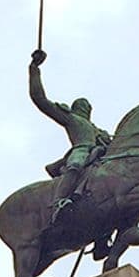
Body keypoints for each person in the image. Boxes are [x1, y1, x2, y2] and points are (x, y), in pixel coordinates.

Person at [29, 49, 111, 223]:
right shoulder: (70, 118)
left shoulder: (98, 129)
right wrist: (34, 69)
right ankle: (58, 203)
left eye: (88, 106)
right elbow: (40, 99)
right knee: (76, 164)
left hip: (101, 155)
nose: (85, 107)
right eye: (82, 104)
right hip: (81, 149)